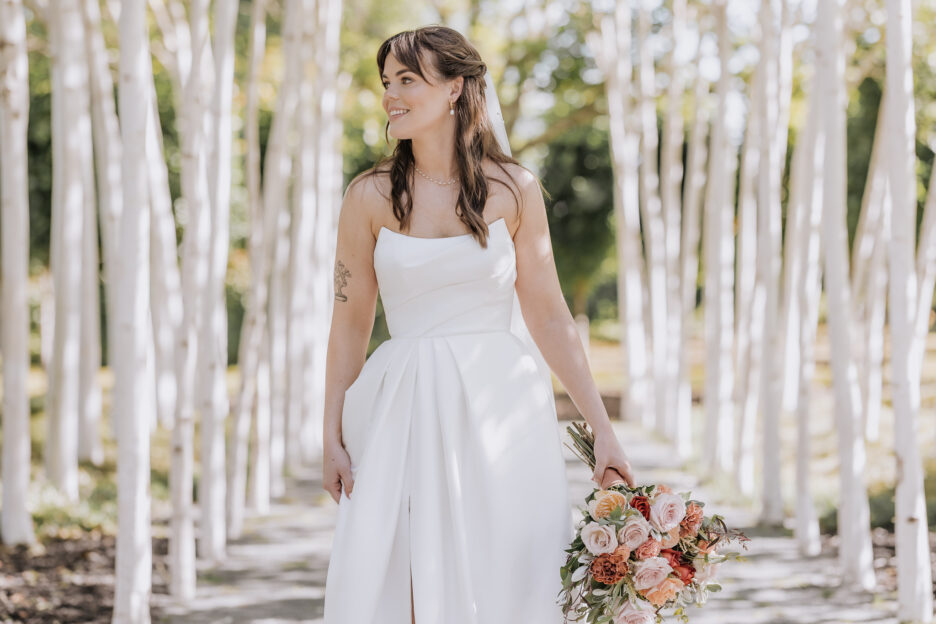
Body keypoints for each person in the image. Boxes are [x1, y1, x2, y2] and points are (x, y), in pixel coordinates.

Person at [321, 25, 635, 624]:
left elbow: (549, 315)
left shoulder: (514, 189)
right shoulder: (368, 196)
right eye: (386, 81)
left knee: (507, 578)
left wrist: (603, 431)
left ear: (456, 89)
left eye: (407, 80)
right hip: (400, 408)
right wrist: (331, 434)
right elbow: (348, 325)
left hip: (502, 406)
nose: (391, 94)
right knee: (400, 577)